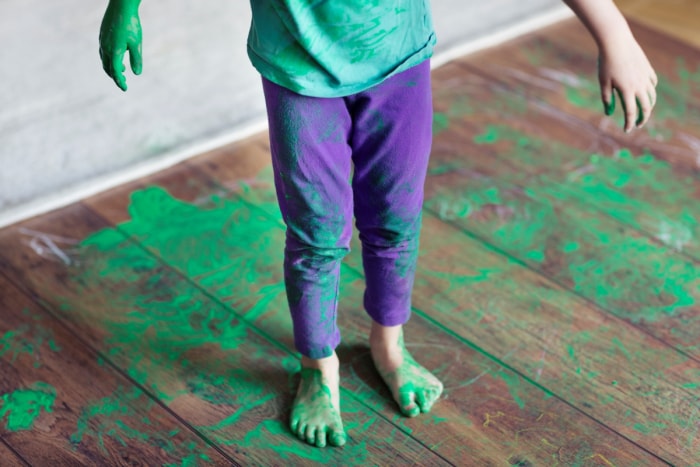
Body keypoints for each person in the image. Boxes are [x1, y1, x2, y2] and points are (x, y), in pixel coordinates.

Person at [99, 0, 657, 449]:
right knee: (316, 233)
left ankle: (388, 344)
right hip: (299, 69)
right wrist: (125, 6)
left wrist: (615, 34)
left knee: (395, 218)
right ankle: (319, 365)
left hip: (399, 61)